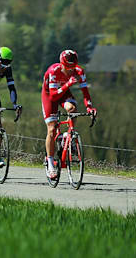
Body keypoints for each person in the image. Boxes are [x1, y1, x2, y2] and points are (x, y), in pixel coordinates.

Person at [41, 49, 96, 178]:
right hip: (50, 95)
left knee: (72, 109)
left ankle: (69, 133)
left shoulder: (79, 71)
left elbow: (85, 92)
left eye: (73, 67)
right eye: (67, 67)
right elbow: (54, 96)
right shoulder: (53, 71)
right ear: (61, 64)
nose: (71, 70)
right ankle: (50, 162)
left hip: (63, 92)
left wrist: (89, 107)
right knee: (52, 129)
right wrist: (68, 83)